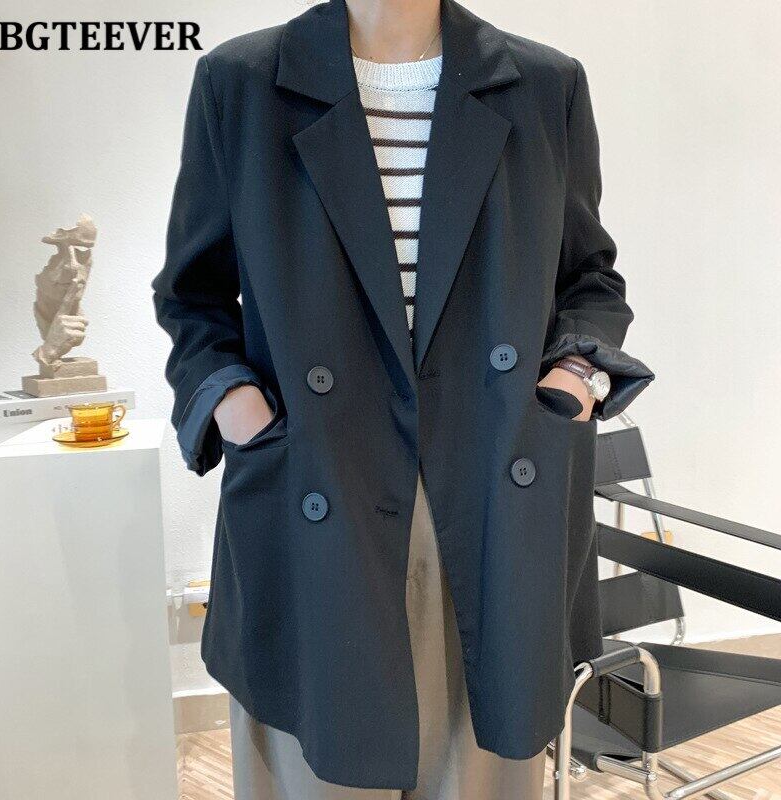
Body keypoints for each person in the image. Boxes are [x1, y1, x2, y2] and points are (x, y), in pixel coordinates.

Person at [152, 0, 654, 797]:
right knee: (318, 767)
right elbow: (192, 297)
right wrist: (238, 407)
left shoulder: (542, 84)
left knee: (482, 769)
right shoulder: (242, 84)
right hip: (317, 478)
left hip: (494, 490)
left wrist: (572, 383)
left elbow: (590, 280)